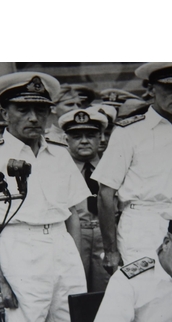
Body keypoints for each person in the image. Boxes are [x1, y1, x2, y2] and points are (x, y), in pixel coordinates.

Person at [0, 71, 91, 322]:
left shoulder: (60, 154)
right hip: (18, 247)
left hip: (60, 245)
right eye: (23, 109)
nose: (34, 117)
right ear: (5, 113)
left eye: (41, 110)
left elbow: (74, 213)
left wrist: (73, 260)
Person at [91, 62, 172, 273]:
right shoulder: (130, 132)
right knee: (142, 293)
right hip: (142, 224)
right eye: (171, 88)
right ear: (151, 89)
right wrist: (111, 250)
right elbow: (106, 193)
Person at [59, 107, 111, 292]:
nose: (84, 141)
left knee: (106, 287)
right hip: (74, 233)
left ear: (101, 137)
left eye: (90, 135)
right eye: (76, 136)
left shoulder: (112, 164)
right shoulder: (59, 166)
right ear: (66, 139)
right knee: (75, 288)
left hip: (107, 233)